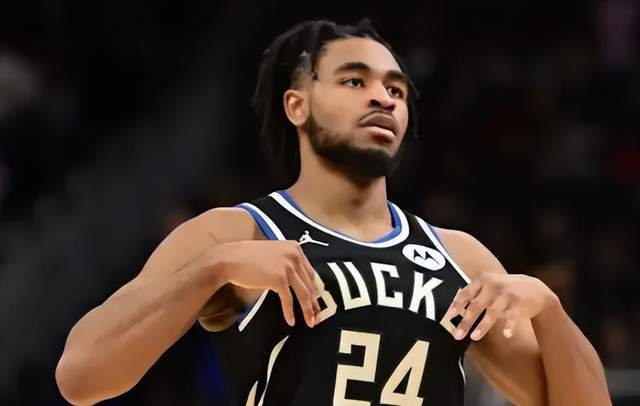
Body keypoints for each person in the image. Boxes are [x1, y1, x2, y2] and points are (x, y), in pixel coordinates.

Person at [55, 19, 611, 406]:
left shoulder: (458, 255)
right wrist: (212, 269)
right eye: (354, 81)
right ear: (297, 105)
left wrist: (549, 308)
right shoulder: (236, 233)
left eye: (396, 89)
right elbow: (81, 376)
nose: (383, 98)